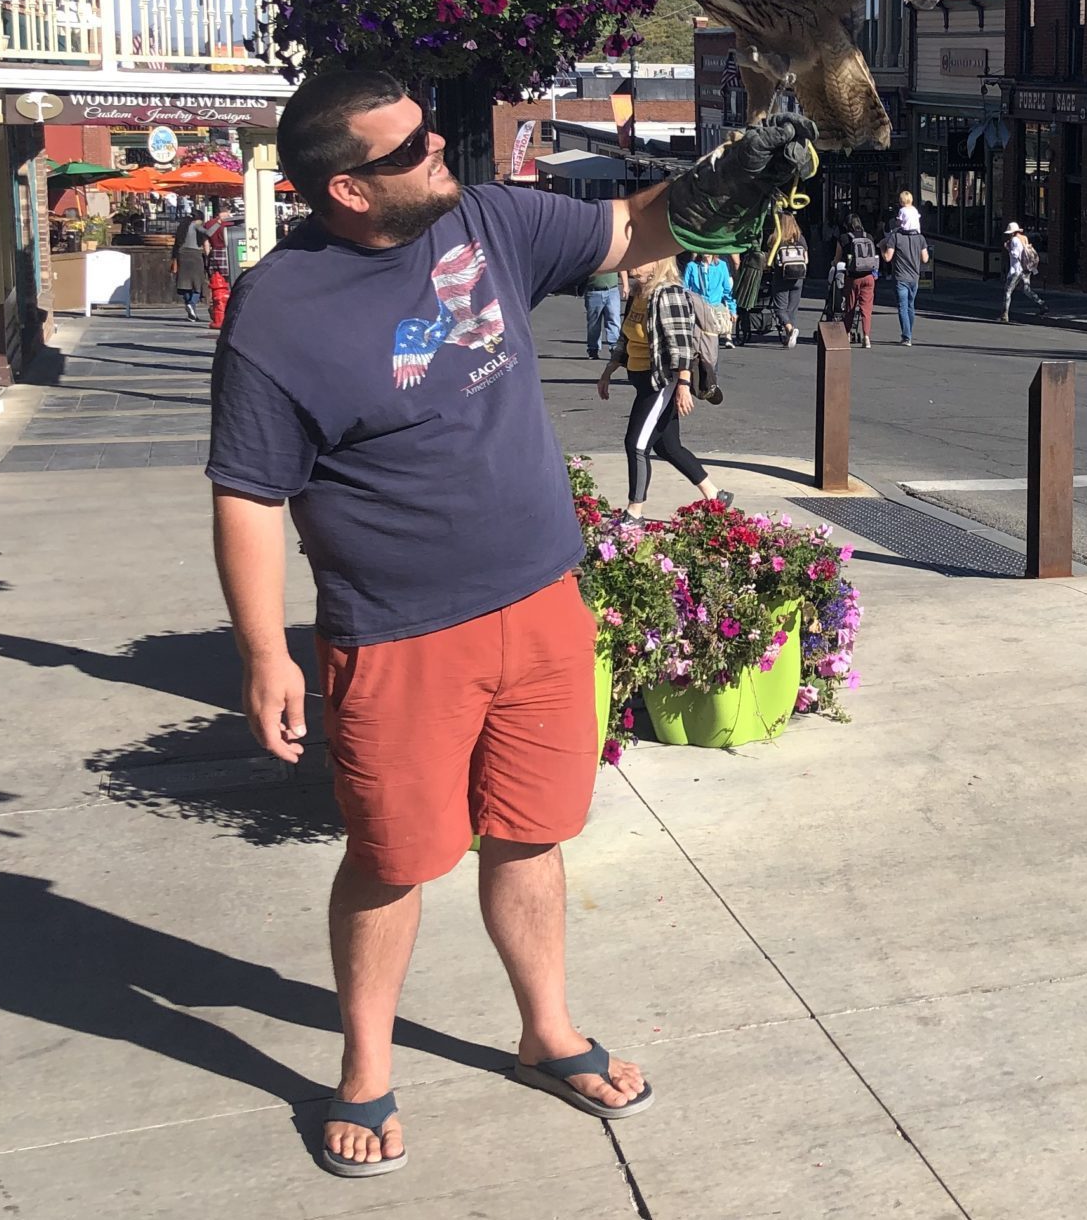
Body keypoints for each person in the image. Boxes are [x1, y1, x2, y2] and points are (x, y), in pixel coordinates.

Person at [207, 69, 812, 1177]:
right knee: (393, 859)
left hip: (541, 602)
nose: (439, 146)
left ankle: (546, 1029)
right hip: (395, 632)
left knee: (531, 831)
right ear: (345, 189)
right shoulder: (277, 310)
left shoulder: (484, 221)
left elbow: (631, 226)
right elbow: (249, 490)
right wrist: (262, 651)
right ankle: (364, 1068)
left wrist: (734, 174)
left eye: (430, 131)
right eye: (409, 148)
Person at [597, 257, 730, 516]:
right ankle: (715, 495)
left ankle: (634, 512)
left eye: (640, 258)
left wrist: (683, 384)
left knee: (636, 444)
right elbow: (627, 337)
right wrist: (609, 370)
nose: (632, 265)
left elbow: (681, 346)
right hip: (641, 378)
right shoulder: (638, 292)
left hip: (659, 381)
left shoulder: (668, 294)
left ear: (657, 263)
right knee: (668, 446)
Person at [836, 212, 878, 349]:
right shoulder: (869, 237)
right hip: (869, 277)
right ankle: (866, 337)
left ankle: (847, 334)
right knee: (866, 308)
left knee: (850, 307)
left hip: (853, 277)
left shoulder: (844, 238)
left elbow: (837, 258)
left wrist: (833, 264)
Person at [887, 213, 929, 346]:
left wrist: (882, 247)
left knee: (902, 306)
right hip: (914, 277)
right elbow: (925, 259)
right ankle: (908, 333)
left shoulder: (895, 237)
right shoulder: (920, 238)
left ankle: (907, 336)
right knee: (911, 305)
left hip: (900, 276)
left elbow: (888, 257)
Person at [682, 250, 737, 349]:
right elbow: (685, 288)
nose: (705, 250)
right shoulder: (692, 266)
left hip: (715, 308)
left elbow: (727, 291)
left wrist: (733, 310)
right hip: (698, 309)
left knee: (711, 345)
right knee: (698, 343)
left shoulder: (722, 265)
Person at [770, 218, 808, 347]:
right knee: (792, 309)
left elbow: (771, 260)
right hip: (798, 277)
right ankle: (789, 337)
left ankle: (790, 330)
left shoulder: (777, 239)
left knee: (780, 308)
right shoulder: (800, 238)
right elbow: (806, 259)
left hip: (782, 276)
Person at [173, 203, 213, 322]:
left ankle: (192, 313)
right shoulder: (196, 225)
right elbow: (209, 233)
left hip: (181, 254)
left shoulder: (183, 226)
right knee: (198, 283)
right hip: (194, 255)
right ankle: (191, 303)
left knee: (185, 283)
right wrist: (218, 224)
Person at [1000, 220, 1045, 321]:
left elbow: (1015, 255)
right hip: (1025, 269)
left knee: (1008, 291)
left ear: (1012, 232)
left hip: (1015, 269)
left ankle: (1004, 314)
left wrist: (1008, 248)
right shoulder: (1024, 238)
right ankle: (1041, 304)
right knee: (1026, 289)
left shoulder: (1014, 240)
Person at [581, 268, 622, 361]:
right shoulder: (592, 255)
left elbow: (622, 267)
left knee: (614, 320)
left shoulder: (613, 255)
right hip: (593, 291)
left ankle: (614, 349)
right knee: (594, 324)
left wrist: (626, 285)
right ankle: (593, 349)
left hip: (612, 290)